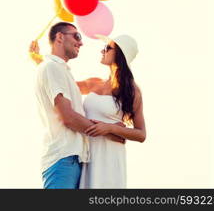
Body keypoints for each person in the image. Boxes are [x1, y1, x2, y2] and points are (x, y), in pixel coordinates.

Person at [30, 22, 125, 189]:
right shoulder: (52, 67)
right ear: (59, 37)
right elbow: (68, 117)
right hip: (62, 159)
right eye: (77, 36)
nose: (81, 42)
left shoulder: (58, 70)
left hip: (72, 159)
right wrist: (109, 132)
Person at [77, 34, 146, 188]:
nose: (103, 51)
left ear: (120, 54)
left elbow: (141, 134)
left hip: (110, 156)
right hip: (87, 153)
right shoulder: (94, 82)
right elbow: (62, 82)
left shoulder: (132, 91)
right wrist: (40, 61)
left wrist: (109, 128)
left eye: (108, 48)